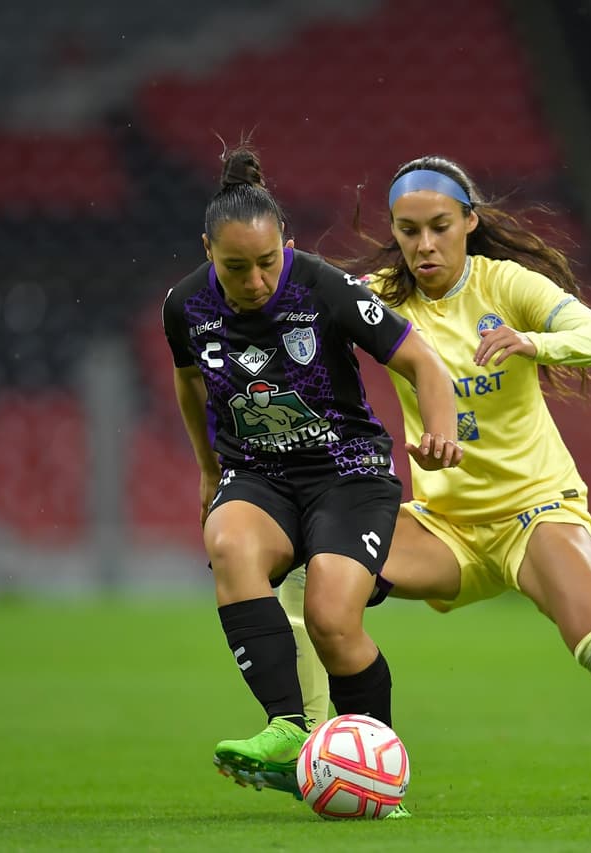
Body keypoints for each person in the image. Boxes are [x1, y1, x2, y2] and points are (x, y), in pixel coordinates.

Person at [232, 155, 591, 809]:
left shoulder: (506, 285)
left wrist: (534, 343)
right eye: (408, 230)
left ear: (469, 221)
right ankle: (309, 745)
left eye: (439, 226)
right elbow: (281, 298)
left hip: (536, 512)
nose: (424, 245)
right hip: (445, 529)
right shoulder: (377, 296)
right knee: (308, 575)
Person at [164, 146, 463, 817]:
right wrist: (209, 470)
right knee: (228, 542)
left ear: (287, 246)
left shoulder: (324, 286)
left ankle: (377, 774)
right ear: (208, 252)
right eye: (236, 266)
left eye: (268, 262)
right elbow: (189, 385)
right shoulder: (183, 306)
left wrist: (442, 430)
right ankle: (289, 728)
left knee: (331, 618)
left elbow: (422, 359)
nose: (255, 280)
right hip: (259, 474)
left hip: (347, 472)